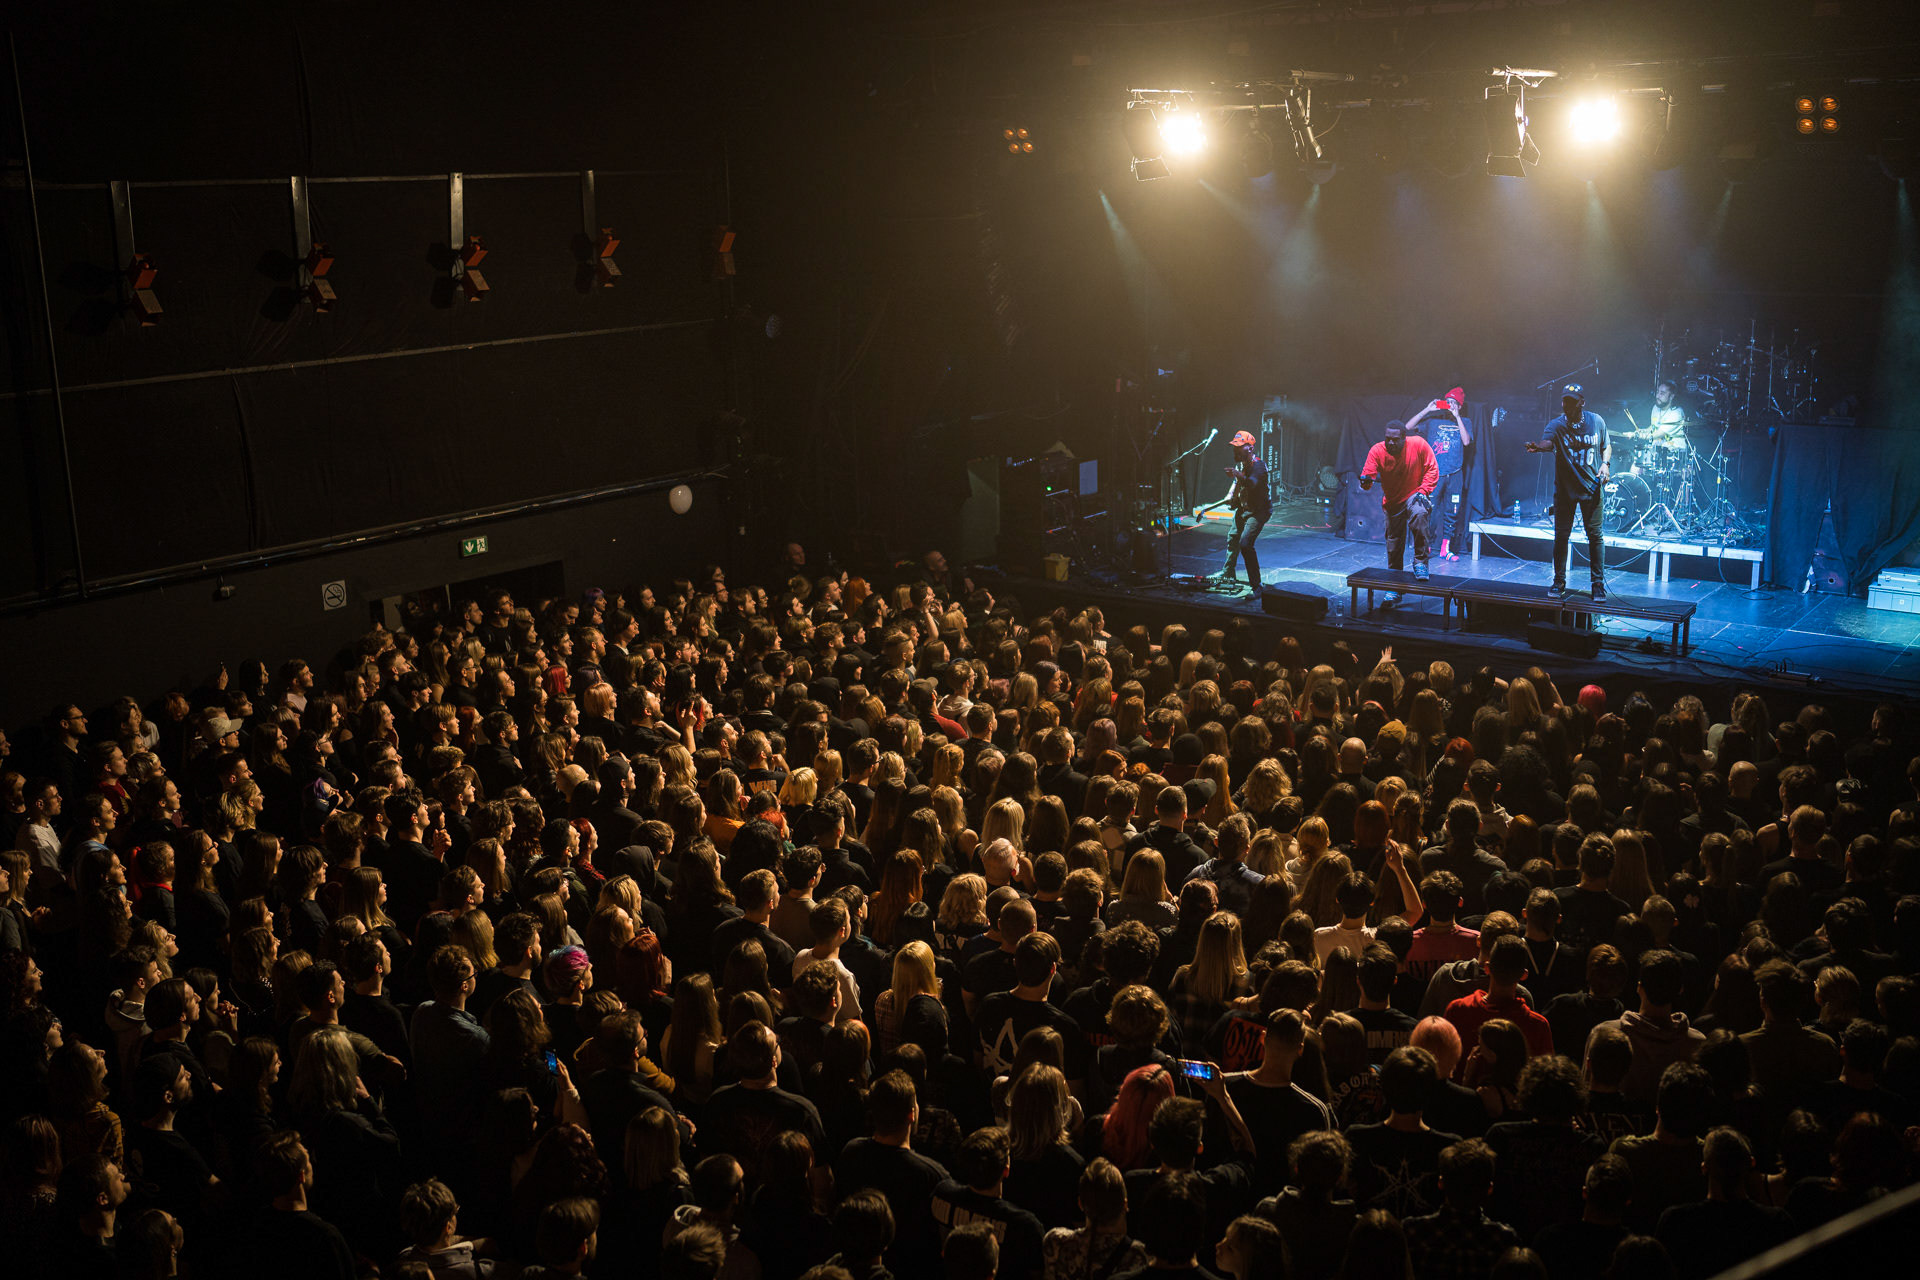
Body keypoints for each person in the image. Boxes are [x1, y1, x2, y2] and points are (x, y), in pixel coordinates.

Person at [1523, 384, 1611, 601]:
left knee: (1595, 536)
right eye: (1564, 401)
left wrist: (1606, 464)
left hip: (1591, 487)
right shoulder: (1557, 425)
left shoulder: (1596, 421)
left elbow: (1606, 445)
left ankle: (1597, 584)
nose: (1566, 405)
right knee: (1561, 536)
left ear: (1582, 402)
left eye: (1571, 401)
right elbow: (1547, 441)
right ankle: (1558, 581)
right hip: (1565, 490)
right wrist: (1539, 447)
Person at [1359, 419, 1438, 603]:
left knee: (1419, 514)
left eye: (1395, 439)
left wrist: (1423, 490)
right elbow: (1368, 475)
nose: (1391, 443)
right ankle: (1394, 587)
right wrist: (1366, 481)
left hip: (1414, 494)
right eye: (1388, 439)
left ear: (1404, 438)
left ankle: (1420, 562)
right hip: (1393, 501)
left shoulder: (1418, 444)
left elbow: (1432, 469)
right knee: (1394, 545)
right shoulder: (1377, 450)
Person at [1403, 387, 1474, 562]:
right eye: (1447, 402)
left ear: (1459, 405)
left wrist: (1457, 417)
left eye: (1453, 403)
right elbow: (1407, 427)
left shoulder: (1465, 421)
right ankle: (1426, 547)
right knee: (1430, 511)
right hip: (1435, 473)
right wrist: (1428, 409)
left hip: (1455, 473)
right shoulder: (1433, 421)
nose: (1449, 405)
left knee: (1452, 511)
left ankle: (1445, 548)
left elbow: (1466, 442)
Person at [1215, 431, 1272, 594]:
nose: (1236, 450)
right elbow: (1238, 487)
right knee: (1233, 538)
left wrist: (1237, 475)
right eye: (1235, 447)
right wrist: (1233, 498)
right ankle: (1228, 572)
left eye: (1239, 447)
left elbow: (1252, 483)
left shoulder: (1259, 466)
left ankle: (1256, 586)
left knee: (1245, 544)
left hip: (1259, 511)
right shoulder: (1242, 466)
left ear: (1250, 448)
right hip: (1245, 508)